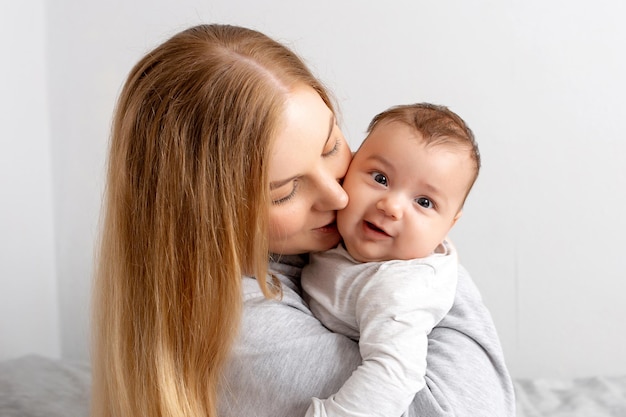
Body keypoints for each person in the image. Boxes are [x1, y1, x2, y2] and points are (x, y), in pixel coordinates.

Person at [91, 23, 515, 417]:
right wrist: (430, 255)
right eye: (286, 190)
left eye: (331, 146)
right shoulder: (246, 327)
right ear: (204, 216)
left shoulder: (333, 246)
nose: (339, 193)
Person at [301, 103, 480, 417]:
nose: (391, 206)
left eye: (424, 202)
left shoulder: (399, 289)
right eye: (380, 178)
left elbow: (395, 372)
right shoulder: (333, 232)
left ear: (448, 226)